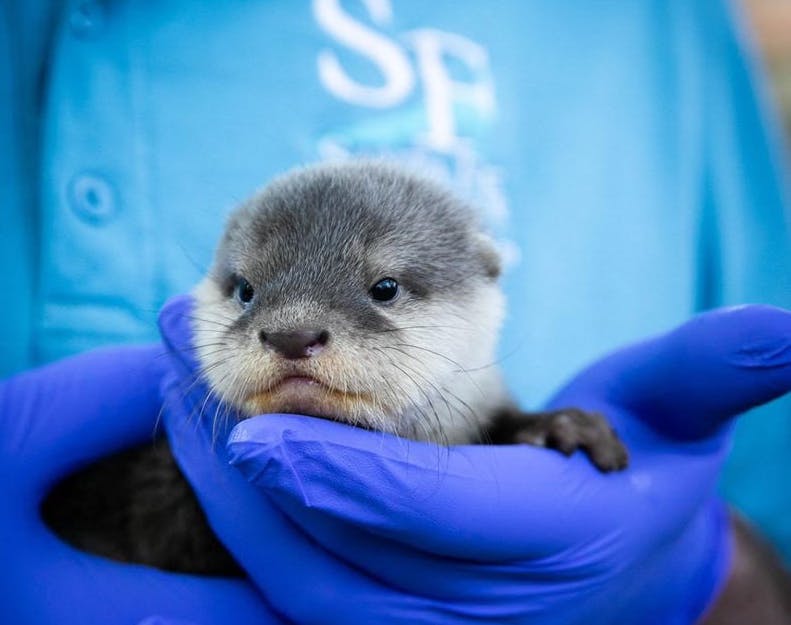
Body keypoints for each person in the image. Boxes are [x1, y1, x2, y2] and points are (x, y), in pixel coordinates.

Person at [1, 0, 789, 621]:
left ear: (486, 292)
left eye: (382, 291)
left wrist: (702, 579)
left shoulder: (651, 21)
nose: (288, 328)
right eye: (248, 294)